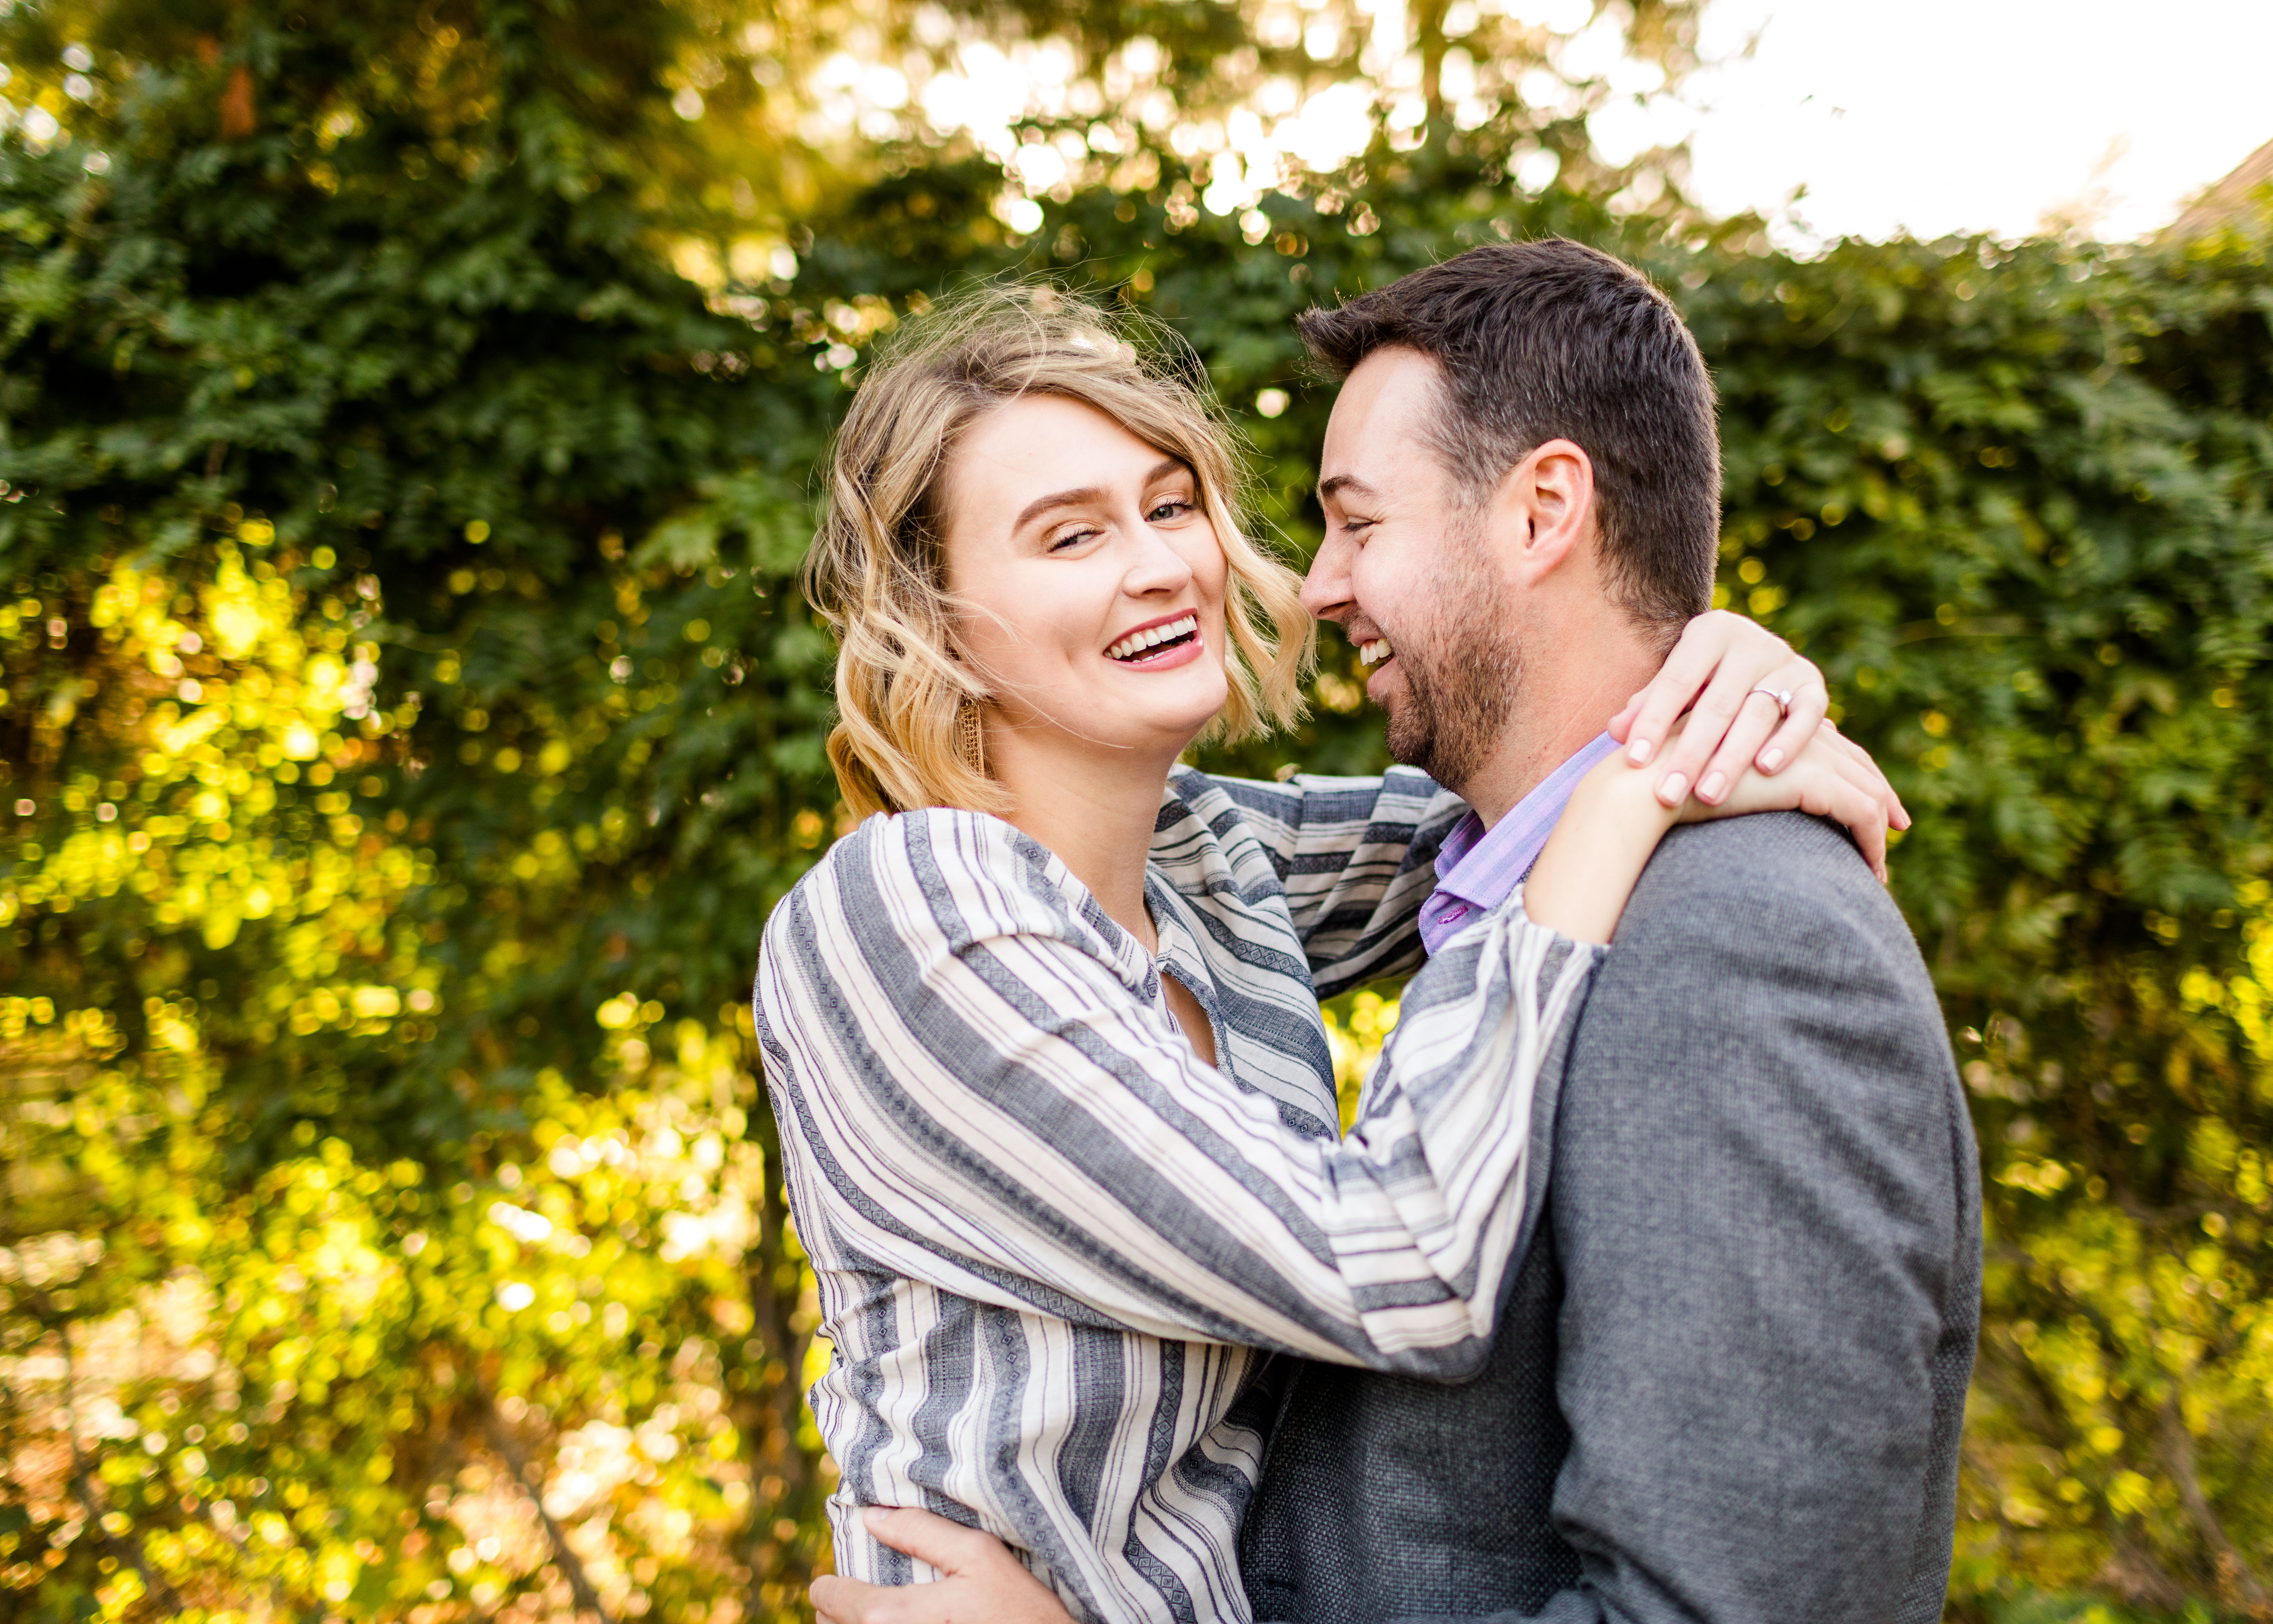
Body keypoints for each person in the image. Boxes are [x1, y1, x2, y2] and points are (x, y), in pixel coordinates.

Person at [805, 242, 1980, 1624]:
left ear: (1547, 511)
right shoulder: (920, 910)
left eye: (1173, 506)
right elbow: (1548, 843)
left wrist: (1728, 676)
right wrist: (1640, 777)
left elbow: (1501, 825)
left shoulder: (1214, 871)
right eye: (1071, 534)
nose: (1187, 569)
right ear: (932, 616)